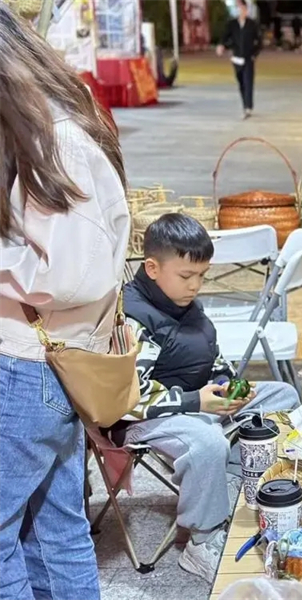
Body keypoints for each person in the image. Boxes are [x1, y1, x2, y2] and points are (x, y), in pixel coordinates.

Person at [0, 4, 129, 597]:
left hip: (27, 364)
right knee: (54, 529)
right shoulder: (48, 128)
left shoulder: (53, 139)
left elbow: (73, 273)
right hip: (45, 360)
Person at [103, 214, 300, 583]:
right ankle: (201, 541)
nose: (195, 285)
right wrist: (196, 401)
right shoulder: (133, 319)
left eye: (202, 276)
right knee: (207, 441)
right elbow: (129, 398)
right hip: (146, 419)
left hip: (198, 404)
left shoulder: (185, 303)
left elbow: (211, 358)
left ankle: (230, 482)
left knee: (282, 395)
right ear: (152, 268)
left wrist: (230, 386)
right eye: (186, 276)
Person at [216, 0, 262, 119]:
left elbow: (259, 42)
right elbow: (225, 37)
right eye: (238, 8)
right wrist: (222, 46)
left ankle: (248, 107)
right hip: (236, 58)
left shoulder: (252, 24)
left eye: (242, 9)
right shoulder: (232, 24)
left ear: (246, 10)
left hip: (248, 58)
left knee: (248, 82)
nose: (241, 11)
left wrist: (254, 54)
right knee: (241, 83)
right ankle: (245, 104)